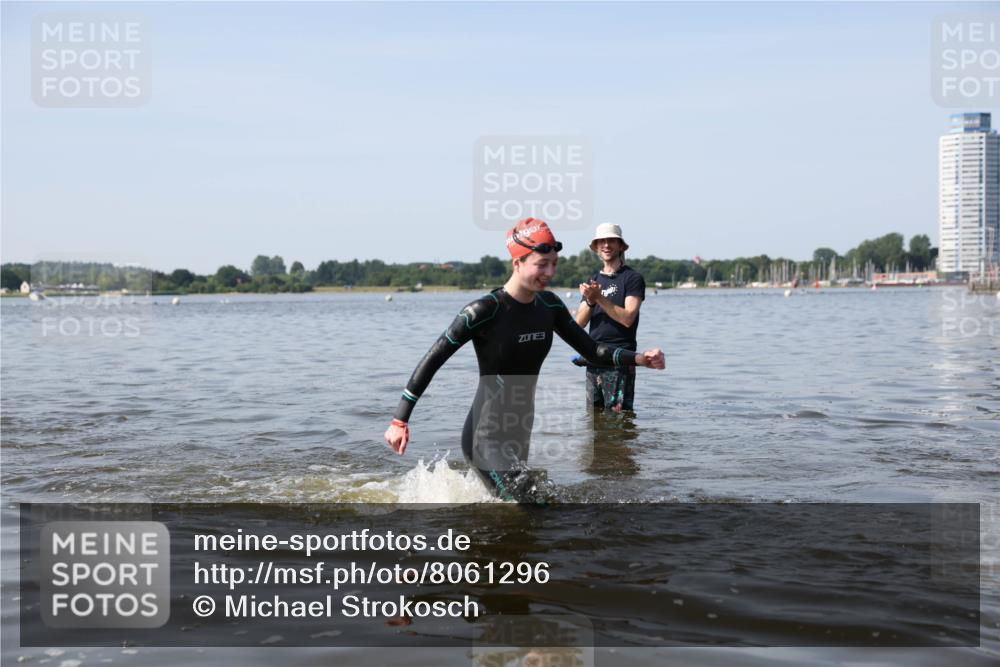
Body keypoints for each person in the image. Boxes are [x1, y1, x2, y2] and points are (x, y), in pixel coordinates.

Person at [383, 218, 665, 502]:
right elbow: (433, 359)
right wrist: (400, 420)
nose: (550, 272)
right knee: (533, 505)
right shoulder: (484, 311)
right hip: (486, 436)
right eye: (542, 265)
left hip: (521, 430)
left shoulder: (550, 306)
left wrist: (639, 359)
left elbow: (593, 351)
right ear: (517, 263)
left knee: (520, 516)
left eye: (554, 264)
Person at [574, 223, 648, 414]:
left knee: (618, 421)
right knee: (594, 419)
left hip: (620, 360)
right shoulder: (593, 281)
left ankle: (618, 446)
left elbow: (628, 318)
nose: (606, 245)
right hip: (593, 357)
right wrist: (591, 301)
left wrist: (599, 298)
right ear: (596, 248)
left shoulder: (632, 278)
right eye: (602, 241)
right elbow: (579, 324)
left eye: (611, 241)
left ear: (621, 246)